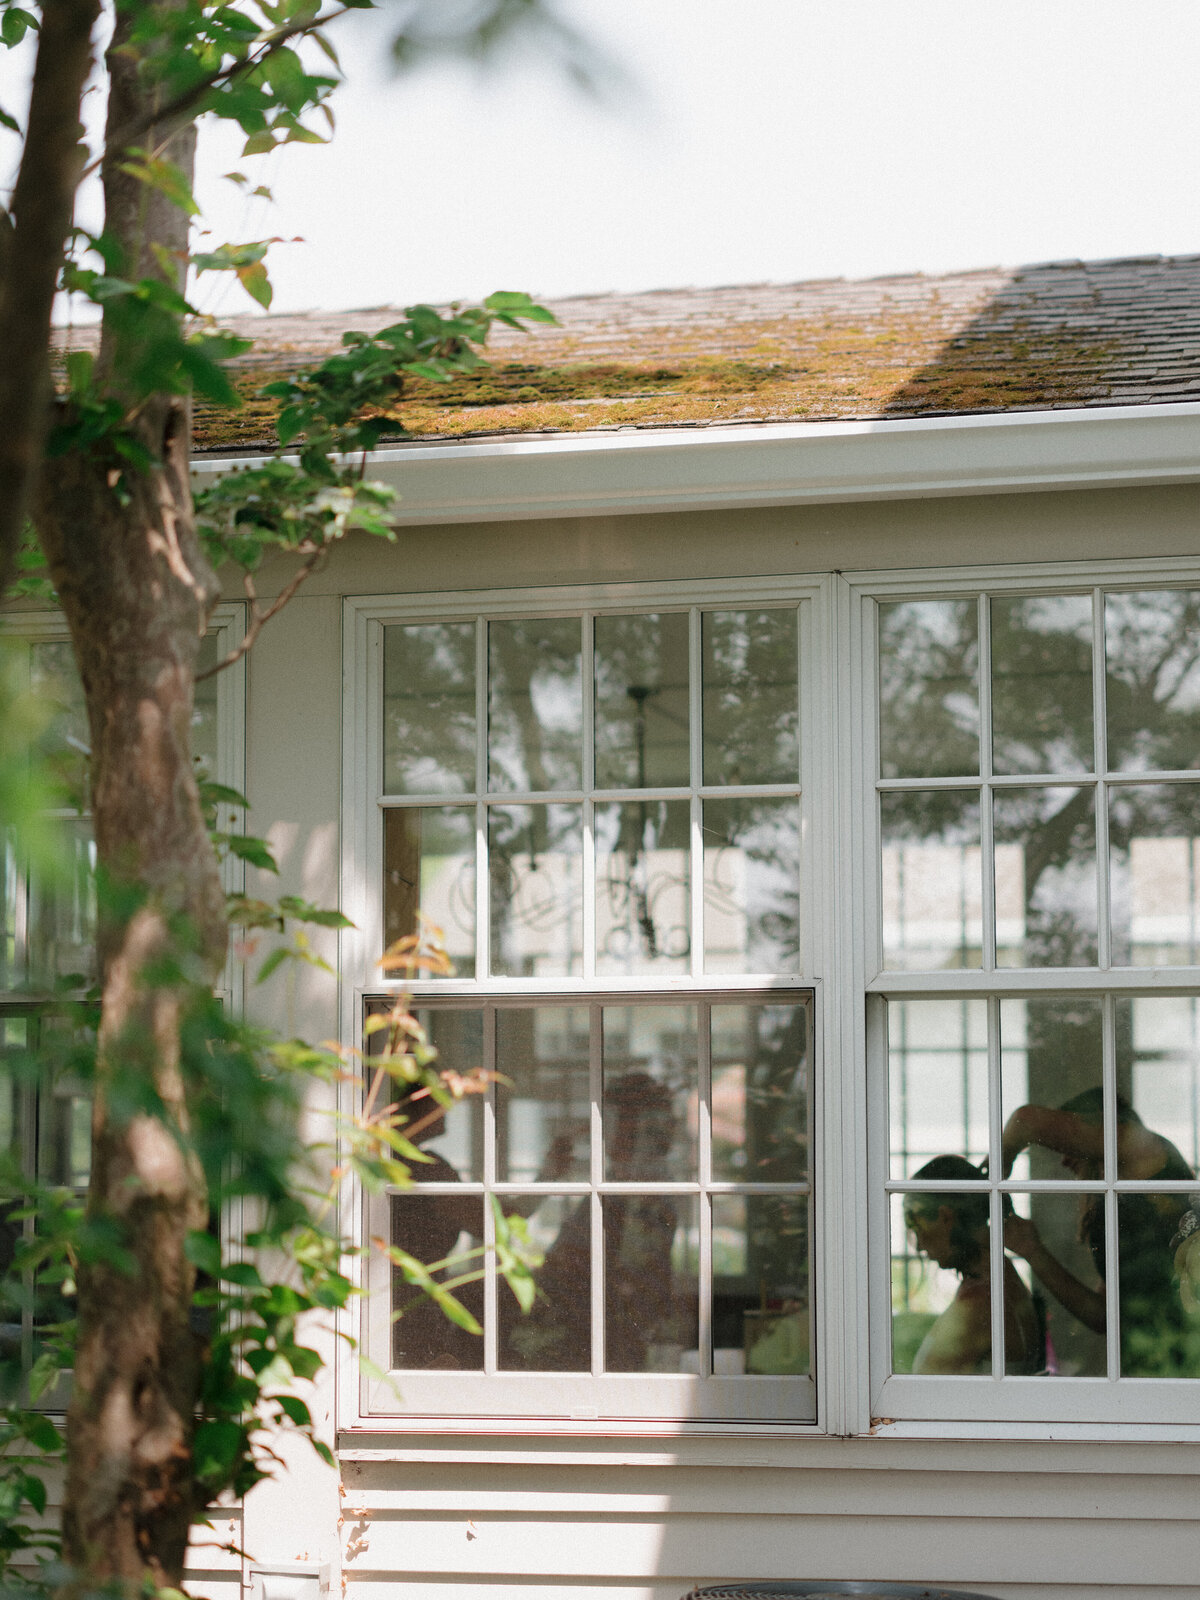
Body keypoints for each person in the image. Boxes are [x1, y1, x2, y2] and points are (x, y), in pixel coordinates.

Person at [1000, 1087, 1195, 1375]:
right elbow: (1104, 1315)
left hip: (1185, 1355)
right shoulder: (1115, 1202)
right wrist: (1032, 1251)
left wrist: (998, 1165)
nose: (1065, 1158)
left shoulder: (1140, 1147)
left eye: (1071, 1144)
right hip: (1150, 1360)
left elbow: (1025, 1121)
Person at [903, 1155, 1043, 1375]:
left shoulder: (978, 1304)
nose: (919, 1245)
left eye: (916, 1224)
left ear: (945, 1218)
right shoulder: (1003, 1276)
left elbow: (924, 1391)